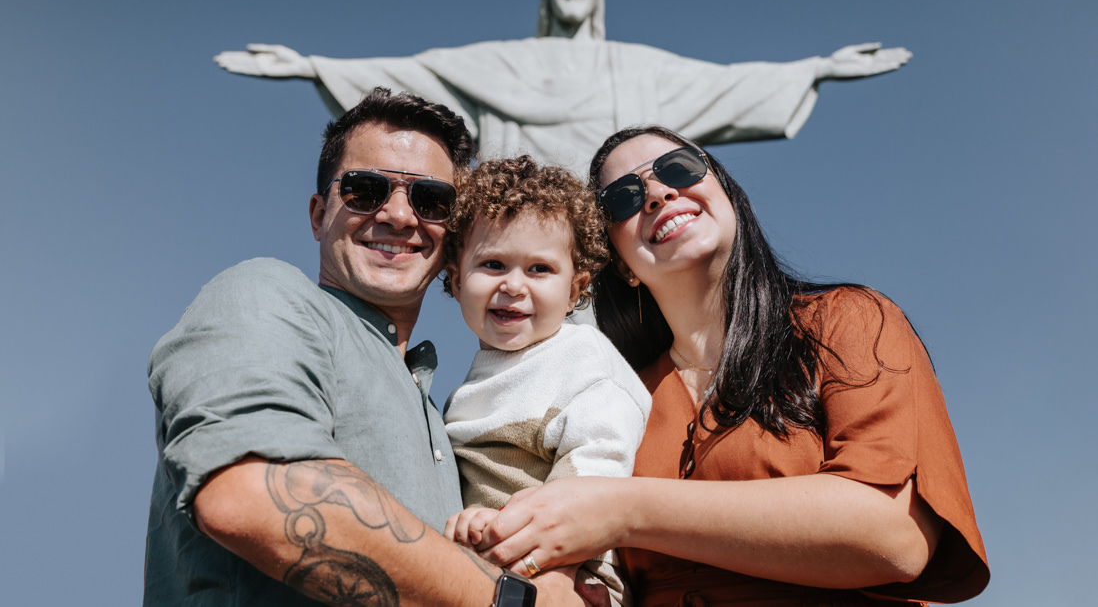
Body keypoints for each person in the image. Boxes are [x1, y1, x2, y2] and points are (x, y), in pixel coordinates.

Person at [451, 126, 990, 606]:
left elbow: (895, 536)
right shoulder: (615, 393)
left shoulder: (845, 321)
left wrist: (622, 510)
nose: (658, 193)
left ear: (727, 193)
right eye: (624, 198)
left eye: (679, 168)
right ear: (620, 263)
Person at [144, 87, 585, 606]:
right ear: (317, 214)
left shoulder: (442, 416)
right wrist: (512, 600)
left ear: (454, 234)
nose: (399, 215)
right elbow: (247, 494)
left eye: (431, 200)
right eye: (365, 190)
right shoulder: (268, 294)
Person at [213, 0, 912, 177]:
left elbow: (723, 87)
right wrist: (311, 66)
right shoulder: (501, 63)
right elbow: (419, 76)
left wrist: (816, 69)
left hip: (610, 229)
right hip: (524, 224)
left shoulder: (634, 68)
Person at [441, 156, 652, 605]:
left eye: (539, 269)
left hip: (573, 578)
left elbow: (599, 466)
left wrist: (549, 561)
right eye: (493, 264)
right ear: (456, 280)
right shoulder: (465, 389)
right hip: (496, 572)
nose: (514, 285)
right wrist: (474, 524)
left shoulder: (582, 359)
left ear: (574, 290)